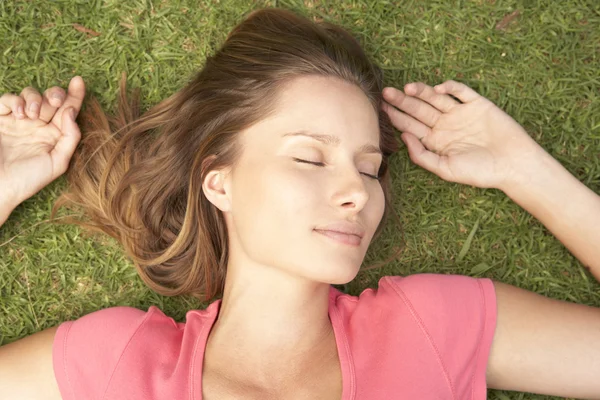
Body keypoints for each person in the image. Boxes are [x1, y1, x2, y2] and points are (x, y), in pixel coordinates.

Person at [0, 7, 599, 400]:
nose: (359, 191)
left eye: (371, 168)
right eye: (310, 157)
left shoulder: (429, 328)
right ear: (219, 183)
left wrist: (525, 171)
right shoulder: (118, 364)